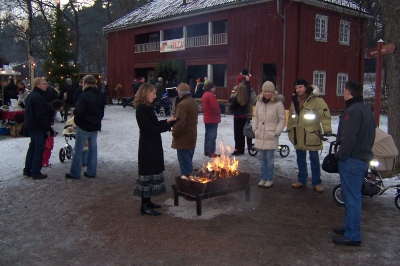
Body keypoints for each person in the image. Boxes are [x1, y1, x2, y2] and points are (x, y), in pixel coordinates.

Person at [331, 80, 376, 246]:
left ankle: (352, 235)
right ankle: (349, 227)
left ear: (348, 91)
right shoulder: (366, 110)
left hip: (352, 160)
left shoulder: (352, 112)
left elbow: (348, 138)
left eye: (344, 90)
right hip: (362, 158)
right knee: (352, 196)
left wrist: (342, 156)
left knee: (352, 198)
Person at [133, 83, 177, 216]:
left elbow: (154, 124)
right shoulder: (141, 109)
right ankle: (144, 205)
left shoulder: (148, 107)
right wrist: (166, 126)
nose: (155, 96)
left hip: (153, 144)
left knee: (152, 172)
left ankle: (148, 201)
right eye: (153, 93)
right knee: (147, 173)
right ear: (146, 93)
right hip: (148, 146)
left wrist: (167, 122)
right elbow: (149, 129)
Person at [287, 79, 332, 193]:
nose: (298, 90)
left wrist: (327, 130)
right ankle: (302, 180)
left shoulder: (316, 101)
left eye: (300, 87)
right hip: (298, 134)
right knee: (300, 159)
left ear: (306, 87)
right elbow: (292, 117)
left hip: (312, 134)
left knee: (314, 159)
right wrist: (290, 130)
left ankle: (317, 182)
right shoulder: (294, 101)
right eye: (296, 88)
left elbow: (325, 115)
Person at [65, 75, 105, 179]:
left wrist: (77, 122)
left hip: (84, 125)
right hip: (95, 125)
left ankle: (75, 173)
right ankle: (91, 172)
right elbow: (102, 111)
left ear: (85, 83)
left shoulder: (84, 95)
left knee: (78, 149)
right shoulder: (99, 95)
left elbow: (79, 111)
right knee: (93, 149)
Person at [253, 81, 286, 187]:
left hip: (271, 134)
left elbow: (282, 119)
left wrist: (276, 132)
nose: (266, 93)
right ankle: (262, 178)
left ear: (272, 92)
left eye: (268, 91)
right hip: (260, 134)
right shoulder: (259, 102)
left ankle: (269, 179)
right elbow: (256, 117)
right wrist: (255, 128)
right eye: (264, 91)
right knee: (262, 159)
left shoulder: (277, 103)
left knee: (269, 159)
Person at [23, 77, 53, 179]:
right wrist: (46, 128)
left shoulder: (31, 96)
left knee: (32, 147)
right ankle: (35, 171)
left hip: (31, 125)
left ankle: (28, 169)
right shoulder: (38, 98)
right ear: (38, 85)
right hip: (37, 126)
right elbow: (41, 115)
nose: (46, 85)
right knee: (38, 149)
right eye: (44, 83)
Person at [171, 83, 198, 176]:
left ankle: (189, 184)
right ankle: (190, 181)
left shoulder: (183, 104)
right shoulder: (193, 102)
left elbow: (179, 122)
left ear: (180, 93)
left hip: (183, 138)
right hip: (191, 136)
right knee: (188, 161)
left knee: (186, 165)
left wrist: (174, 133)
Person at [229, 81, 251, 155]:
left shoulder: (235, 98)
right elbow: (249, 90)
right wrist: (248, 82)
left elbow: (232, 107)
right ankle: (242, 149)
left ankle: (238, 149)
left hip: (237, 117)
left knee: (237, 134)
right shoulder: (246, 97)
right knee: (243, 134)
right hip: (244, 117)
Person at [42, 99, 64, 167]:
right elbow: (46, 122)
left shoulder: (50, 109)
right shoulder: (50, 111)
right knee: (47, 146)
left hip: (46, 128)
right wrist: (51, 132)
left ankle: (45, 161)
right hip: (46, 130)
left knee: (48, 146)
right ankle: (44, 162)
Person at [201, 82, 221, 157]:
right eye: (214, 87)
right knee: (212, 136)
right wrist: (218, 113)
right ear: (210, 88)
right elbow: (215, 107)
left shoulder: (204, 95)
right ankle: (211, 152)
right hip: (212, 118)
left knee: (208, 135)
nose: (215, 89)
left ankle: (207, 151)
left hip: (207, 118)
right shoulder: (211, 96)